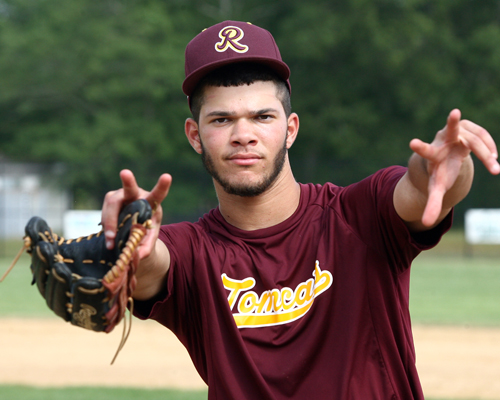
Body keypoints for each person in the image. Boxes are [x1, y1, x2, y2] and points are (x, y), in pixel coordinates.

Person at [101, 21, 499, 399]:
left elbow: (419, 188)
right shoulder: (192, 253)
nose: (244, 135)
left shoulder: (358, 217)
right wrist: (132, 243)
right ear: (195, 135)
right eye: (222, 119)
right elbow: (152, 264)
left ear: (290, 128)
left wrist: (446, 169)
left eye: (262, 116)